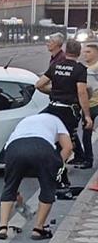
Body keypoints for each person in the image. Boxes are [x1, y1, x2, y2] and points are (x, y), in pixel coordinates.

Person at [0, 112, 73, 240]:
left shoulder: (25, 120)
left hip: (14, 148)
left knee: (9, 187)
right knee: (48, 188)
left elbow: (8, 164)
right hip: (43, 148)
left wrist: (15, 192)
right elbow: (68, 148)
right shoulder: (57, 120)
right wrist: (57, 164)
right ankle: (38, 229)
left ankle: (2, 227)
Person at [35, 39, 92, 170]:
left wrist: (54, 91)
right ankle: (58, 169)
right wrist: (87, 115)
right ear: (78, 53)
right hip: (69, 110)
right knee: (66, 139)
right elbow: (82, 92)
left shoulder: (56, 66)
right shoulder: (80, 69)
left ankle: (50, 164)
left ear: (65, 51)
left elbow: (39, 85)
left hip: (53, 107)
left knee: (52, 135)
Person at [79, 41, 98, 168]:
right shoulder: (84, 69)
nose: (85, 54)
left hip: (95, 104)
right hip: (88, 106)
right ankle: (88, 159)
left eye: (88, 52)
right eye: (84, 52)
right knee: (86, 134)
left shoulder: (94, 69)